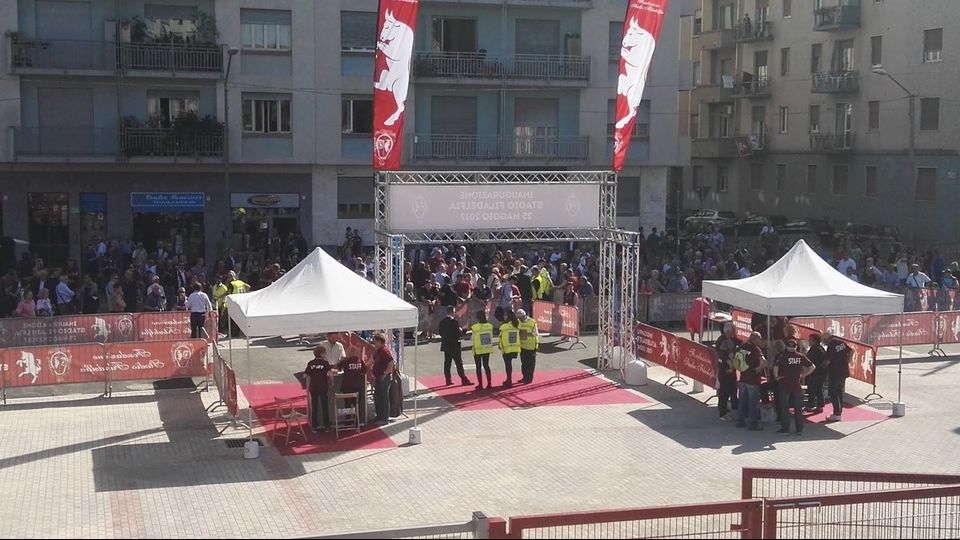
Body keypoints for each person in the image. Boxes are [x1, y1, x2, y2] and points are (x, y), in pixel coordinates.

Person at [773, 340, 815, 435]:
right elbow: (812, 367)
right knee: (798, 408)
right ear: (796, 347)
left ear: (786, 346)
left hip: (785, 385)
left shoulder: (783, 356)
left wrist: (777, 377)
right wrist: (803, 375)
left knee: (785, 408)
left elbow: (775, 367)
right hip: (796, 385)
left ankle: (786, 429)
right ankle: (799, 429)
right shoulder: (800, 356)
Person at [736, 332, 765, 431]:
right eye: (759, 339)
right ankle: (753, 424)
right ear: (755, 339)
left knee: (742, 401)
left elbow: (734, 356)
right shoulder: (756, 349)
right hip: (752, 379)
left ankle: (740, 421)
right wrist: (759, 368)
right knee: (753, 403)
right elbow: (763, 360)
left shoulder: (743, 346)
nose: (760, 341)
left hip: (743, 378)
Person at [822, 329, 851, 422]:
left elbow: (827, 361)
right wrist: (847, 362)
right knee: (839, 392)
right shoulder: (841, 342)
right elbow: (851, 351)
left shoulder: (831, 346)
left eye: (823, 340)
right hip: (843, 370)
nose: (823, 342)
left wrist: (820, 366)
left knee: (833, 392)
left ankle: (836, 413)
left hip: (835, 372)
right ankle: (839, 412)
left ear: (827, 339)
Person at [335, 346, 369, 422]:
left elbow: (338, 367)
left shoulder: (346, 361)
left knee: (348, 404)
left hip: (348, 386)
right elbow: (364, 370)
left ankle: (348, 420)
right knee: (357, 404)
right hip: (358, 386)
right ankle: (358, 420)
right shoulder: (360, 361)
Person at [714, 323, 740, 420]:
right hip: (724, 371)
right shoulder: (722, 341)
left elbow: (739, 342)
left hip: (730, 372)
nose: (735, 333)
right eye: (733, 331)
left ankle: (734, 410)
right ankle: (722, 413)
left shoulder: (732, 339)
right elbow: (722, 357)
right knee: (724, 392)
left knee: (733, 391)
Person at [438, 311, 472, 386]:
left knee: (447, 363)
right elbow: (459, 333)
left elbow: (440, 333)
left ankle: (448, 380)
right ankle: (463, 379)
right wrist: (464, 329)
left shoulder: (442, 322)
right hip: (454, 345)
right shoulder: (454, 322)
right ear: (452, 313)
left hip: (446, 344)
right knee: (459, 363)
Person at [305, 347, 333, 431]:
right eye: (324, 353)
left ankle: (314, 426)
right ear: (321, 354)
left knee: (314, 407)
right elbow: (329, 374)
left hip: (313, 387)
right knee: (324, 406)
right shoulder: (325, 363)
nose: (325, 354)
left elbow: (306, 374)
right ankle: (327, 426)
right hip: (323, 387)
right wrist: (332, 381)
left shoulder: (311, 363)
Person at [371, 334, 395, 425]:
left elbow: (391, 362)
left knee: (383, 397)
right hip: (378, 377)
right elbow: (372, 360)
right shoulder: (379, 351)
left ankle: (384, 418)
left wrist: (385, 373)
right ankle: (379, 415)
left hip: (384, 377)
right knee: (378, 396)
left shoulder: (385, 351)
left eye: (375, 341)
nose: (374, 343)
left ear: (380, 341)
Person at [470, 310, 495, 390]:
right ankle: (489, 384)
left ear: (477, 318)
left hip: (477, 349)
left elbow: (472, 338)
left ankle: (480, 384)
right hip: (486, 348)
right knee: (486, 365)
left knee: (478, 367)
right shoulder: (489, 326)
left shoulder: (474, 327)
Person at [804, 334, 827, 412]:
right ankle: (820, 405)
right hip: (822, 372)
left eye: (810, 340)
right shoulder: (821, 348)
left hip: (816, 372)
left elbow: (807, 360)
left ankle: (810, 406)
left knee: (812, 389)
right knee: (819, 389)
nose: (808, 341)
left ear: (814, 341)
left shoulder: (814, 349)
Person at [498, 309, 521, 388]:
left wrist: (500, 346)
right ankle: (509, 379)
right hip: (515, 347)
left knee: (508, 365)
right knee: (509, 364)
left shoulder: (504, 326)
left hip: (506, 348)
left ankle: (509, 380)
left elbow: (501, 337)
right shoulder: (517, 324)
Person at [516, 309, 539, 384]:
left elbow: (535, 333)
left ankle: (529, 378)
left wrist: (525, 334)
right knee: (523, 363)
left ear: (524, 316)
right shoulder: (518, 322)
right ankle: (524, 377)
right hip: (522, 346)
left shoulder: (532, 322)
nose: (520, 319)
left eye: (521, 318)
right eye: (518, 318)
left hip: (531, 346)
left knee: (530, 364)